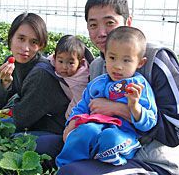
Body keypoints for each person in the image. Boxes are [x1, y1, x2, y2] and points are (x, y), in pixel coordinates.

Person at [57, 0, 179, 175]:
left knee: (71, 171)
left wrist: (120, 109)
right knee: (45, 144)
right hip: (104, 146)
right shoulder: (97, 66)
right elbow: (89, 107)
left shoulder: (156, 60)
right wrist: (72, 124)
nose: (101, 33)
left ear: (128, 22)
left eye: (109, 23)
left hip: (152, 160)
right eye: (93, 25)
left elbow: (178, 130)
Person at [56, 26, 158, 168]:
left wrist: (135, 107)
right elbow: (82, 105)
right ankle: (64, 166)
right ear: (105, 57)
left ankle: (105, 160)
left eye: (126, 60)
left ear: (140, 63)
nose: (117, 66)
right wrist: (72, 123)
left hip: (124, 133)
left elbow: (150, 122)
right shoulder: (97, 83)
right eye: (112, 58)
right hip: (94, 127)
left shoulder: (139, 87)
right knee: (86, 131)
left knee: (110, 137)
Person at [0, 12, 72, 167]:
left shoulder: (40, 74)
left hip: (58, 133)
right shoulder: (12, 63)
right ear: (11, 37)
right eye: (21, 38)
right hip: (36, 122)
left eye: (33, 42)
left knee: (13, 141)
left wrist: (15, 105)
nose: (25, 48)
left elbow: (21, 119)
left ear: (41, 45)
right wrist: (4, 83)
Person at [47, 34, 90, 119]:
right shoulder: (52, 61)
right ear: (55, 58)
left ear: (80, 63)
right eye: (60, 61)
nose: (64, 67)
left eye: (71, 63)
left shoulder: (80, 80)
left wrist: (68, 117)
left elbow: (78, 101)